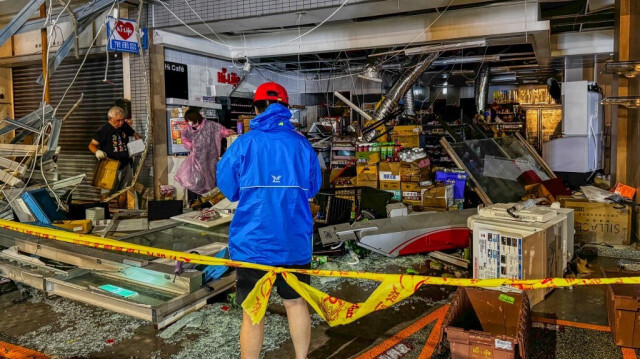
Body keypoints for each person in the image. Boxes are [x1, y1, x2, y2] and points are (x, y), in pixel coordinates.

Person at [217, 82, 321, 359]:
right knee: (296, 304)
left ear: (256, 108)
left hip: (253, 243)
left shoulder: (245, 143)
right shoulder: (301, 144)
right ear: (286, 108)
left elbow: (227, 185)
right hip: (294, 242)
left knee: (253, 313)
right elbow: (313, 187)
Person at [174, 108, 233, 200]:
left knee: (211, 179)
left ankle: (210, 200)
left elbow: (220, 130)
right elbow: (184, 139)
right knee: (196, 180)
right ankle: (198, 200)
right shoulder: (187, 129)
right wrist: (190, 145)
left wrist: (227, 132)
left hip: (211, 158)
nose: (189, 122)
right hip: (197, 159)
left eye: (190, 120)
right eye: (188, 120)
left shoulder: (210, 125)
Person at [88, 106, 141, 192]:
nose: (121, 122)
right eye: (118, 120)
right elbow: (91, 145)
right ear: (110, 119)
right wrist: (97, 151)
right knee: (106, 193)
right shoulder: (103, 130)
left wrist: (137, 138)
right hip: (110, 165)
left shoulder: (124, 126)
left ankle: (121, 206)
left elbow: (133, 133)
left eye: (122, 119)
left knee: (124, 191)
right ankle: (105, 206)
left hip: (125, 164)